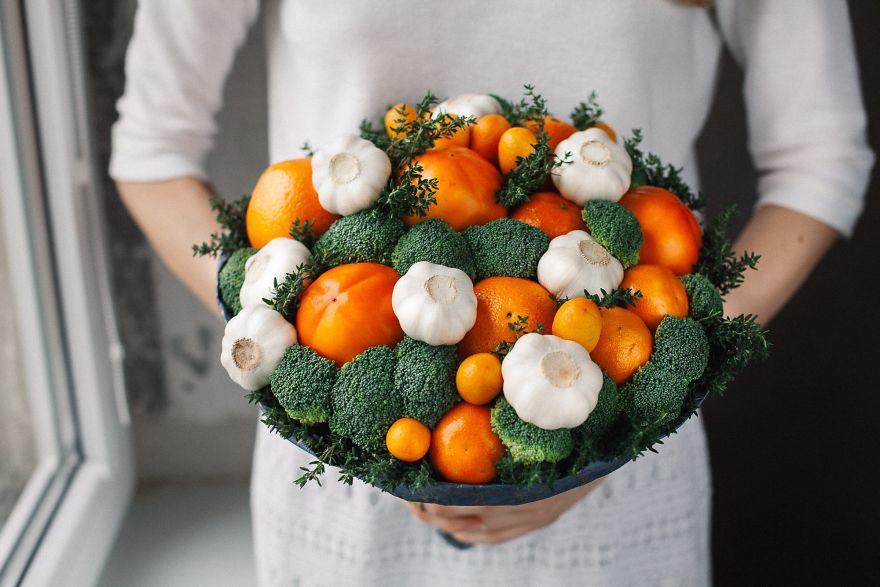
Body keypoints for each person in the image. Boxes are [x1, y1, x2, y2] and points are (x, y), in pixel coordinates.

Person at [109, 1, 873, 584]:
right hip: (344, 474)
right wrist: (264, 326)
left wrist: (664, 382)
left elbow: (821, 157)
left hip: (618, 446)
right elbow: (151, 148)